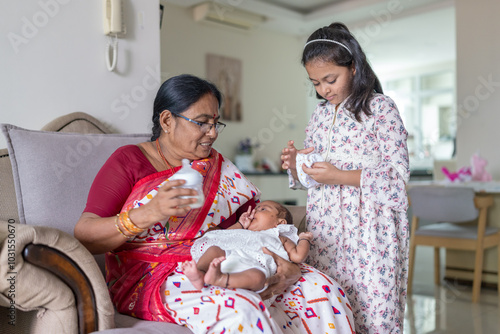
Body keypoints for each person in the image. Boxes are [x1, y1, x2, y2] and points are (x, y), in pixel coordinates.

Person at [74, 74, 355, 333]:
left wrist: (286, 267)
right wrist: (149, 212)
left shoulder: (217, 167)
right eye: (202, 122)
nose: (212, 133)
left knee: (322, 288)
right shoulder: (129, 161)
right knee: (242, 310)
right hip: (152, 276)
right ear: (167, 121)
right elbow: (85, 235)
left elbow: (256, 227)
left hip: (232, 261)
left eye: (215, 123)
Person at [281, 22, 410, 333]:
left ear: (353, 66)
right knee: (329, 312)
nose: (324, 90)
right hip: (326, 232)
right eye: (315, 83)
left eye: (330, 79)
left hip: (370, 232)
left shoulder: (381, 108)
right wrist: (296, 165)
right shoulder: (320, 115)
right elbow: (312, 179)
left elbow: (397, 182)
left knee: (374, 312)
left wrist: (340, 175)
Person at [182, 200, 313, 292]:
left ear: (280, 223)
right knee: (214, 249)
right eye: (256, 208)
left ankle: (220, 279)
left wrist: (304, 239)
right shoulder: (244, 232)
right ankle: (199, 273)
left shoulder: (279, 237)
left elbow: (298, 256)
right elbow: (222, 237)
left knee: (259, 278)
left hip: (252, 266)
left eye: (263, 209)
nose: (254, 211)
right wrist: (240, 224)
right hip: (225, 259)